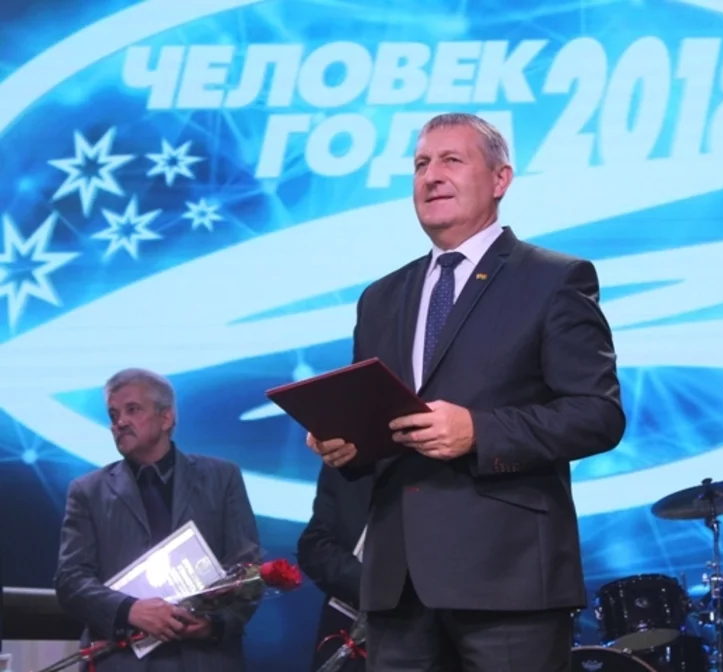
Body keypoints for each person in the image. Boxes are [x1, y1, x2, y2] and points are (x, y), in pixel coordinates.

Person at [305, 112, 626, 671]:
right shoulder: (380, 298)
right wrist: (347, 447)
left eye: (451, 160)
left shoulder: (555, 279)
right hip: (397, 587)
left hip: (507, 579)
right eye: (420, 164)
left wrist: (479, 431)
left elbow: (597, 415)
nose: (431, 176)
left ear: (501, 179)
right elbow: (381, 424)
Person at [54, 368, 262, 672]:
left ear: (166, 418)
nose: (120, 422)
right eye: (113, 415)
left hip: (204, 658)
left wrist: (214, 623)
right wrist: (129, 611)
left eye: (132, 410)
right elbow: (70, 581)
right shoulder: (87, 491)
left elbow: (248, 568)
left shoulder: (222, 478)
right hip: (121, 660)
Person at [297, 464, 373, 671]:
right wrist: (376, 589)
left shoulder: (451, 467)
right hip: (348, 641)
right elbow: (314, 546)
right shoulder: (349, 460)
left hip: (437, 641)